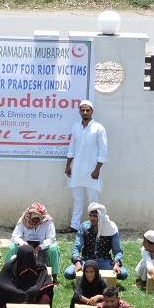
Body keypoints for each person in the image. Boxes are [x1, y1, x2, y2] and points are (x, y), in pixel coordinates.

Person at [62, 100, 107, 233]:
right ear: (79, 111)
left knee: (93, 199)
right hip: (77, 169)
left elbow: (103, 150)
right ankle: (75, 225)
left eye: (88, 110)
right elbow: (72, 147)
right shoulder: (76, 127)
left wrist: (97, 169)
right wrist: (68, 166)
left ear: (92, 111)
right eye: (83, 110)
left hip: (92, 170)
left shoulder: (99, 128)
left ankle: (98, 226)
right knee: (77, 198)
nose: (85, 112)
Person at [64, 203, 127, 280]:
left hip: (104, 261)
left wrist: (116, 263)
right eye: (90, 215)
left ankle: (95, 276)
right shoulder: (84, 226)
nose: (91, 218)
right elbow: (76, 247)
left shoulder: (111, 228)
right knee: (68, 273)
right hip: (87, 261)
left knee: (123, 274)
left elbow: (117, 251)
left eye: (95, 216)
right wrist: (77, 262)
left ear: (101, 216)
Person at [0, 244, 54, 308]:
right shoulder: (10, 266)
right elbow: (0, 284)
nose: (27, 262)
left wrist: (33, 291)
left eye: (30, 258)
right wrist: (17, 292)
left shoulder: (39, 268)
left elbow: (47, 284)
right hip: (15, 296)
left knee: (45, 297)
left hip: (33, 299)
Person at [6, 202, 60, 282]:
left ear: (42, 217)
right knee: (12, 247)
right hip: (25, 248)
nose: (34, 221)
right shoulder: (23, 221)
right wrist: (25, 245)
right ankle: (7, 273)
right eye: (33, 219)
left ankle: (54, 277)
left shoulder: (48, 222)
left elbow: (51, 238)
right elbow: (15, 236)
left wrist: (39, 247)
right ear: (29, 215)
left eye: (37, 219)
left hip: (42, 248)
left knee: (53, 248)